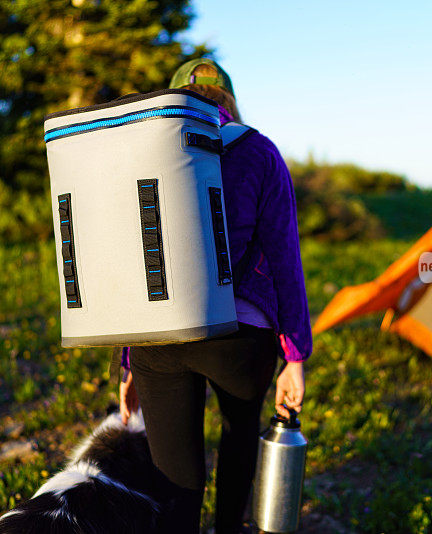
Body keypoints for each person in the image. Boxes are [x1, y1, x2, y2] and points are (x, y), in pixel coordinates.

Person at [118, 58, 312, 534]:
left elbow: (131, 261)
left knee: (176, 478)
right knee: (240, 434)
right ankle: (230, 527)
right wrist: (295, 356)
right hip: (240, 339)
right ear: (229, 101)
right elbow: (284, 257)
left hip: (159, 337)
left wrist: (128, 359)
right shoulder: (261, 153)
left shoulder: (143, 153)